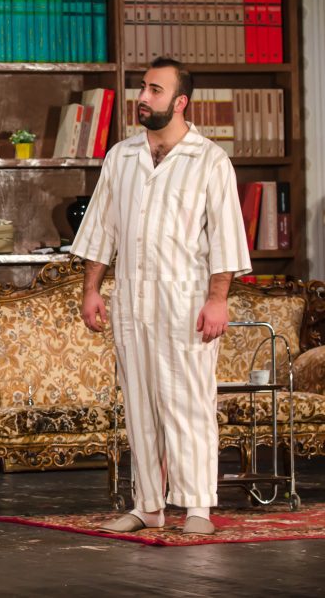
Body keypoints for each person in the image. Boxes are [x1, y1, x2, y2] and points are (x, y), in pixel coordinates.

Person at [71, 57, 250, 536]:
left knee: (188, 402)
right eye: (143, 88)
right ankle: (147, 505)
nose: (143, 97)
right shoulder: (121, 157)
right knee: (139, 404)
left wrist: (218, 299)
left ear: (180, 101)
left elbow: (225, 237)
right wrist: (91, 290)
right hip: (132, 300)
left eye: (155, 90)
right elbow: (102, 230)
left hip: (186, 300)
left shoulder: (209, 160)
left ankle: (197, 507)